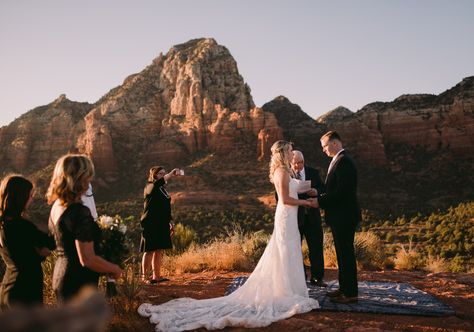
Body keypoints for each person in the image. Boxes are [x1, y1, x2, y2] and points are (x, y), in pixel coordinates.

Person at [138, 140, 319, 331]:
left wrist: (313, 188)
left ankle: (287, 289)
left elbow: (294, 187)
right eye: (290, 151)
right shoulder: (281, 172)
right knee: (285, 251)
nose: (293, 153)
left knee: (288, 251)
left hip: (288, 218)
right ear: (283, 153)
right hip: (286, 216)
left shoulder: (285, 171)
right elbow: (285, 198)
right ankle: (285, 291)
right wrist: (308, 204)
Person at [47, 154, 123, 302]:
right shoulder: (79, 211)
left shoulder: (57, 206)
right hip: (78, 282)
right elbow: (87, 259)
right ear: (80, 178)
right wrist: (113, 268)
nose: (90, 180)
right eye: (88, 175)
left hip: (60, 275)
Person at [317, 131, 361, 304]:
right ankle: (344, 288)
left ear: (335, 143)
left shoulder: (344, 162)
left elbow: (342, 192)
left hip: (344, 216)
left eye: (325, 146)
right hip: (340, 216)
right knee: (342, 254)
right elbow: (333, 189)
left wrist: (319, 200)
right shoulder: (339, 160)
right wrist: (319, 193)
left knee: (346, 254)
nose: (324, 150)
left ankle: (350, 293)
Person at [0, 175, 55, 308]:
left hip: (8, 285)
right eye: (30, 196)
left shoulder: (4, 224)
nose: (31, 200)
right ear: (20, 198)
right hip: (25, 289)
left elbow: (18, 254)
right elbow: (51, 243)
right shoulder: (22, 226)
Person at [291, 150, 327, 287]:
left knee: (316, 247)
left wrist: (316, 191)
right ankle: (301, 276)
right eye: (295, 163)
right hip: (295, 217)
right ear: (290, 162)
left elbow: (323, 188)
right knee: (295, 248)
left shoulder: (313, 172)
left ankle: (318, 277)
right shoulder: (286, 175)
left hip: (313, 216)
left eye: (300, 163)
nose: (298, 166)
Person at [140, 166, 179, 284]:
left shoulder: (162, 189)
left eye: (164, 173)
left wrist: (170, 222)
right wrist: (171, 174)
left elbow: (166, 207)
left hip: (161, 223)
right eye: (160, 174)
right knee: (149, 250)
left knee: (159, 249)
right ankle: (144, 278)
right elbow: (159, 183)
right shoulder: (150, 186)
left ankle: (156, 277)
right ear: (155, 175)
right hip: (150, 223)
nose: (163, 175)